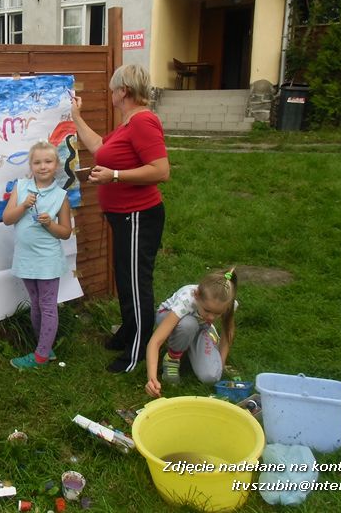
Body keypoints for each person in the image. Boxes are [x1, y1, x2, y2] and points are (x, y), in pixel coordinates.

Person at [70, 64, 169, 373]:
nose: (110, 94)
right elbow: (100, 147)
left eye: (113, 89)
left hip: (139, 216)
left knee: (137, 282)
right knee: (125, 277)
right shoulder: (128, 123)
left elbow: (161, 170)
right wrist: (75, 117)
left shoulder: (143, 122)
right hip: (124, 217)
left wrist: (114, 175)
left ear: (123, 91)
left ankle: (138, 349)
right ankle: (129, 330)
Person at [2, 140, 72, 369]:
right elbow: (7, 219)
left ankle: (40, 356)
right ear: (31, 165)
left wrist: (50, 224)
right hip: (25, 257)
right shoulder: (21, 187)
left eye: (48, 161)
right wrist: (23, 206)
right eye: (37, 162)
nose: (43, 166)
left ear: (56, 164)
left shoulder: (60, 196)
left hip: (48, 260)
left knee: (48, 305)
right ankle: (45, 348)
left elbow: (65, 233)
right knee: (36, 303)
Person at [145, 269, 238, 398]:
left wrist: (220, 365)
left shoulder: (228, 304)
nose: (211, 317)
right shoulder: (186, 300)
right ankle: (172, 358)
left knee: (211, 377)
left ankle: (204, 337)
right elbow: (155, 341)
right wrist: (152, 379)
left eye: (217, 313)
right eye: (207, 310)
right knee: (188, 324)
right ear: (196, 295)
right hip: (170, 318)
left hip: (200, 326)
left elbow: (227, 334)